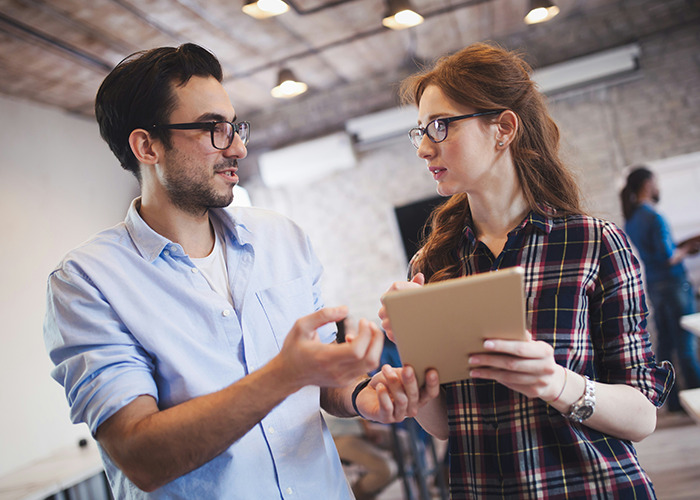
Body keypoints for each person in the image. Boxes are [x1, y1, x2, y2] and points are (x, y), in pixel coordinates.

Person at [42, 43, 417, 499]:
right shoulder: (86, 282)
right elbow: (140, 455)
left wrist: (363, 395)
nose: (237, 146)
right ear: (146, 145)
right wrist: (283, 373)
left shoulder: (284, 239)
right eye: (212, 129)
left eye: (234, 126)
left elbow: (323, 381)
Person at [365, 43, 675, 499]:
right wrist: (414, 379)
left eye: (440, 126)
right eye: (420, 132)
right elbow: (450, 426)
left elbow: (642, 416)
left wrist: (557, 382)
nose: (424, 148)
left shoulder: (594, 243)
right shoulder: (432, 264)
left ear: (503, 128)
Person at [621, 166, 700, 412]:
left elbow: (657, 252)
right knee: (686, 342)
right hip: (674, 284)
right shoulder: (654, 216)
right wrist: (687, 250)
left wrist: (682, 245)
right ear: (647, 185)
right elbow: (667, 256)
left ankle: (673, 402)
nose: (658, 188)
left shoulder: (632, 219)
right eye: (655, 183)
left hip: (654, 286)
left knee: (665, 344)